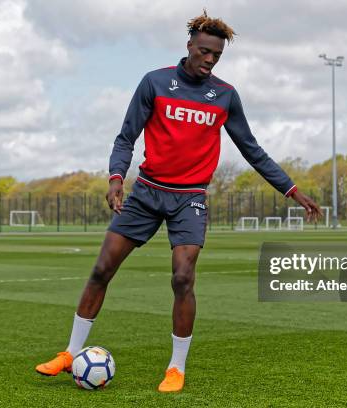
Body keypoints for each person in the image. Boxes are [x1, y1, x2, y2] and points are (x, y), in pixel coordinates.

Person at [36, 11, 322, 392]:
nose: (209, 60)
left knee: (183, 277)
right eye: (204, 52)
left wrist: (292, 190)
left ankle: (176, 368)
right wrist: (116, 178)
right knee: (102, 268)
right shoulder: (155, 83)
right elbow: (126, 137)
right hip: (147, 192)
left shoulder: (225, 96)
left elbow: (252, 150)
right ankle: (71, 352)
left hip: (189, 199)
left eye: (216, 56)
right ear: (189, 46)